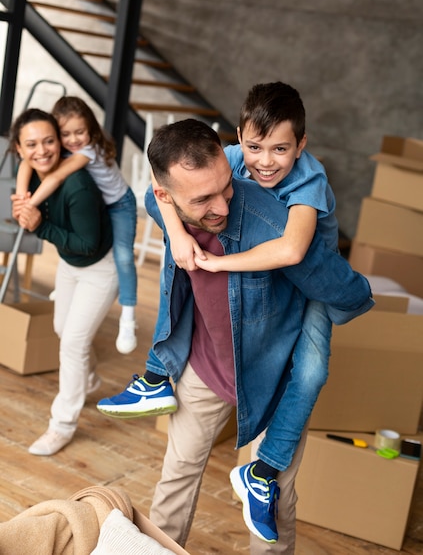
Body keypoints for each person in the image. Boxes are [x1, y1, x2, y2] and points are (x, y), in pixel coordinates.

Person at [98, 118, 373, 552]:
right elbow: (155, 188)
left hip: (274, 380)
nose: (222, 206)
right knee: (175, 479)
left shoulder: (273, 224)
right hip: (205, 367)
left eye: (225, 187)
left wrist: (305, 261)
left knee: (273, 505)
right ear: (169, 197)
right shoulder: (164, 205)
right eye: (203, 198)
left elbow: (351, 291)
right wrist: (174, 228)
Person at [10, 108, 119, 456]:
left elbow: (88, 245)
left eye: (49, 141)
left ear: (60, 141)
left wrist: (39, 225)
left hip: (101, 267)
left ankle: (62, 425)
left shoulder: (77, 184)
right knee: (62, 328)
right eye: (32, 144)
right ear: (19, 149)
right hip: (71, 265)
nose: (42, 150)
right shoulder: (30, 173)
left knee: (72, 343)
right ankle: (88, 380)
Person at [15, 96, 138, 354]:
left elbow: (58, 176)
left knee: (124, 255)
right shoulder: (61, 149)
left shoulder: (87, 150)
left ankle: (128, 316)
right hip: (101, 203)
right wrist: (21, 194)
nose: (73, 140)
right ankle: (69, 289)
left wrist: (28, 206)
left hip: (120, 203)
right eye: (65, 134)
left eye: (79, 132)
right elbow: (26, 162)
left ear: (90, 129)